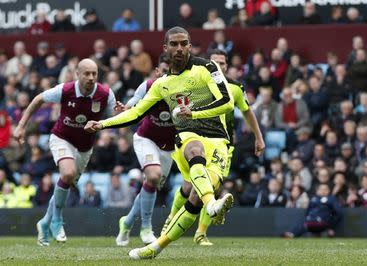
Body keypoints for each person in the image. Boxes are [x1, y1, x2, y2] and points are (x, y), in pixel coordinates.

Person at [84, 26, 243, 260]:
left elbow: (227, 102)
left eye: (184, 44)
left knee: (194, 199)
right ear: (165, 48)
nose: (179, 48)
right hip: (188, 137)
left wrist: (194, 112)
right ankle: (212, 205)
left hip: (218, 139)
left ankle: (156, 247)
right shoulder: (161, 84)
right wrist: (102, 124)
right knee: (192, 147)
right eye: (174, 44)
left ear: (189, 46)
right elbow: (136, 113)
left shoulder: (208, 67)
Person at [160, 49, 265, 246]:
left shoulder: (234, 88)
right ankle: (171, 219)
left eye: (223, 63)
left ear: (227, 66)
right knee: (189, 185)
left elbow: (247, 111)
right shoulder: (197, 83)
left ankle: (200, 233)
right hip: (196, 140)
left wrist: (258, 138)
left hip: (222, 144)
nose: (219, 66)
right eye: (215, 62)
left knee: (213, 186)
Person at [13, 58, 117, 246]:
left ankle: (45, 222)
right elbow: (37, 100)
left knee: (66, 182)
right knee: (67, 173)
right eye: (87, 73)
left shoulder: (106, 94)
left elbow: (114, 117)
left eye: (94, 74)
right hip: (62, 138)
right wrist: (21, 126)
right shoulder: (65, 90)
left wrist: (120, 113)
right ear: (77, 74)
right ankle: (57, 220)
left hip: (85, 147)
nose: (91, 78)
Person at [115, 55, 177, 246]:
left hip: (168, 148)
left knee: (150, 185)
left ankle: (126, 222)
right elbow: (134, 100)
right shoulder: (148, 85)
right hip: (146, 138)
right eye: (164, 72)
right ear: (157, 72)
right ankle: (146, 228)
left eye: (172, 72)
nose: (168, 76)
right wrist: (126, 107)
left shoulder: (183, 89)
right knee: (153, 175)